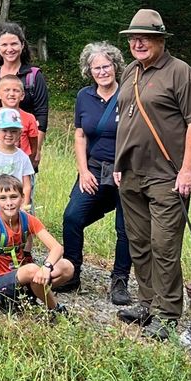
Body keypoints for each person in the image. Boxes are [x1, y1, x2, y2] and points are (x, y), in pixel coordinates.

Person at [113, 9, 191, 341]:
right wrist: (119, 164)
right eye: (133, 38)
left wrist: (188, 169)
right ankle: (148, 304)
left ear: (161, 40)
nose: (138, 43)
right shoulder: (130, 72)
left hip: (167, 176)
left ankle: (167, 315)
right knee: (139, 243)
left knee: (164, 245)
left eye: (145, 38)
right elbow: (126, 119)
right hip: (131, 173)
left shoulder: (180, 72)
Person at [57, 41, 132, 305]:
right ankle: (71, 272)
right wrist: (83, 170)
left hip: (127, 171)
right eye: (96, 68)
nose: (102, 72)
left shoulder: (129, 94)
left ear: (115, 66)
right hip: (94, 168)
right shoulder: (84, 96)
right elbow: (80, 135)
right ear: (89, 71)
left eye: (106, 66)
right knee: (73, 217)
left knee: (125, 228)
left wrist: (126, 166)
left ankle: (120, 281)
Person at [0, 174, 73, 314]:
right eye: (3, 198)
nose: (9, 203)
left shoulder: (27, 219)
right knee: (32, 269)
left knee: (67, 267)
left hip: (23, 278)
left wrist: (46, 267)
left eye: (13, 197)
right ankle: (56, 310)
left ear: (22, 198)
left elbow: (57, 248)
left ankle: (31, 295)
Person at [0, 22, 51, 148]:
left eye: (14, 44)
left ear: (22, 44)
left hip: (24, 148)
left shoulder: (33, 76)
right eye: (4, 44)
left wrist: (36, 150)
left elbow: (42, 115)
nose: (9, 49)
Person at [0, 75, 41, 169]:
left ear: (22, 96)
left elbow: (33, 145)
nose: (12, 94)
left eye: (16, 90)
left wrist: (28, 162)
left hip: (21, 165)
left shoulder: (29, 118)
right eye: (7, 90)